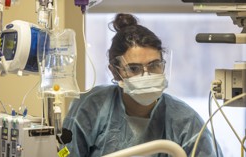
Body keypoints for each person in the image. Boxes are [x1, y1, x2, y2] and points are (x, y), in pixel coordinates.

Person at [61, 13, 223, 157]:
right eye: (134, 69)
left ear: (163, 65)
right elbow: (65, 153)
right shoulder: (90, 109)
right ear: (115, 72)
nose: (146, 75)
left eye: (154, 65)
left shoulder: (185, 122)